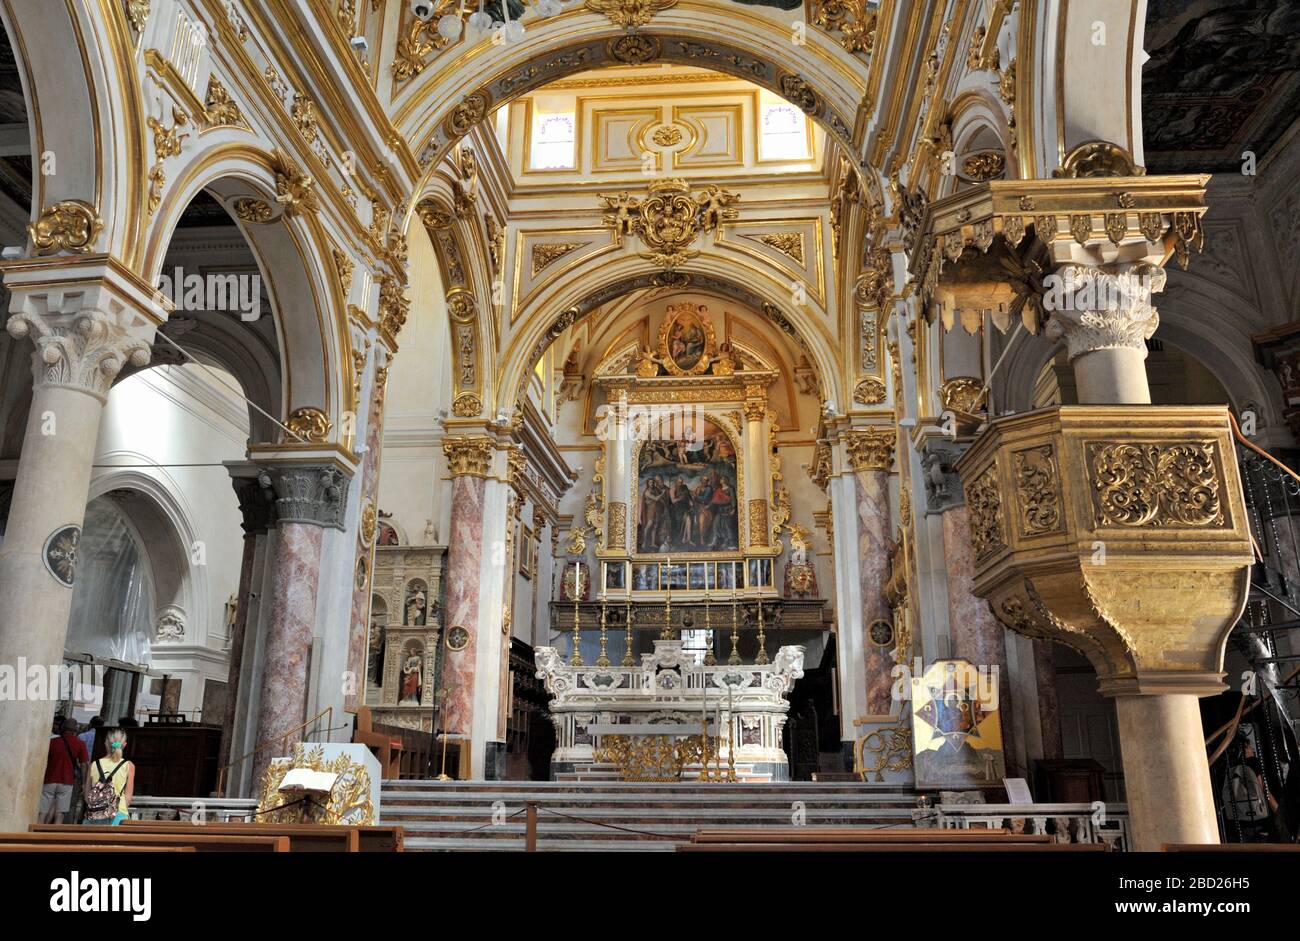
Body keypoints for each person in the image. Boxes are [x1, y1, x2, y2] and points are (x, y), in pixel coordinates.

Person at [39, 716, 89, 824]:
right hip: (66, 782)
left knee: (42, 812)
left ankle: (34, 836)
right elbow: (84, 764)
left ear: (62, 729)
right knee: (60, 814)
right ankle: (54, 838)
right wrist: (84, 782)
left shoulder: (52, 742)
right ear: (75, 730)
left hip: (49, 780)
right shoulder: (80, 744)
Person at [83, 728, 135, 826]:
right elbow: (128, 798)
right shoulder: (128, 766)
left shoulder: (94, 764)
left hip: (95, 814)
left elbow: (87, 796)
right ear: (124, 745)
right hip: (118, 814)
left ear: (106, 743)